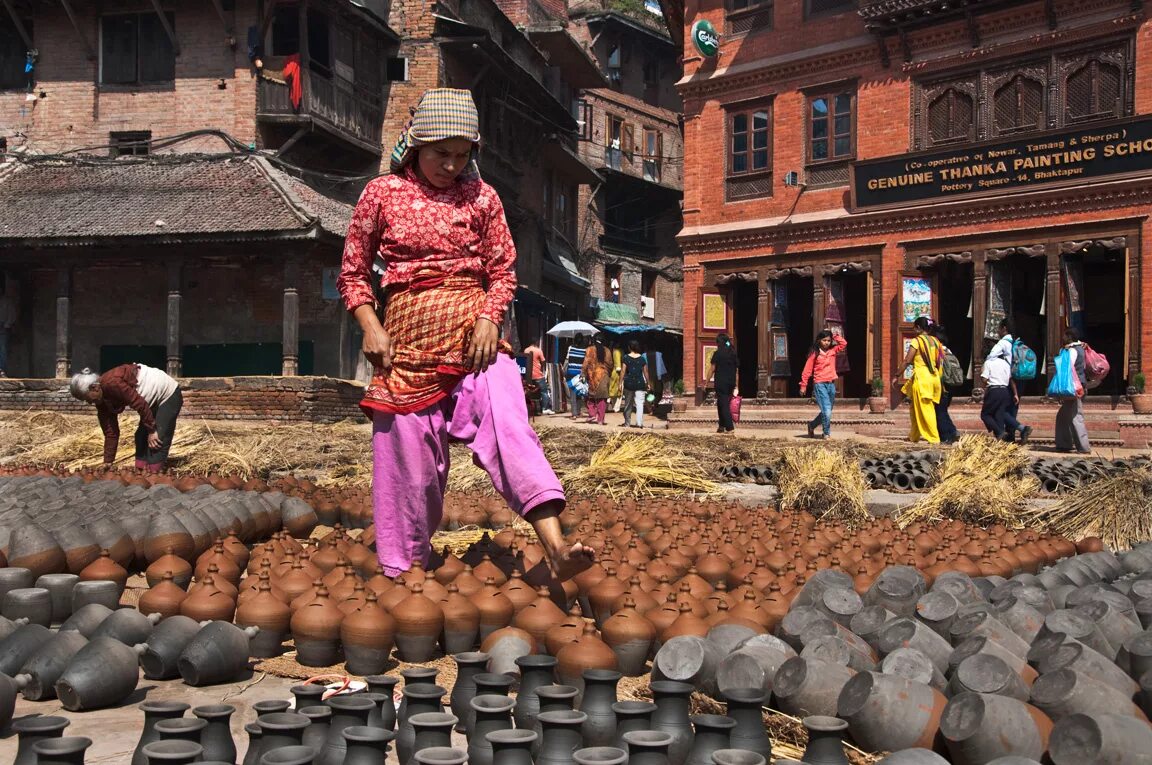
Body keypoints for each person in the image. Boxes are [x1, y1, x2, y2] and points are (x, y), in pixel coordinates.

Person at [337, 88, 593, 580]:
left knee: (509, 422)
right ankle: (403, 571)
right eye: (441, 154)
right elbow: (352, 273)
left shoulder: (483, 198)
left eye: (461, 155)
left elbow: (502, 270)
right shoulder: (381, 194)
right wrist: (370, 326)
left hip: (474, 344)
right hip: (405, 353)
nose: (451, 165)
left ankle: (556, 546)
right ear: (415, 145)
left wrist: (489, 318)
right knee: (410, 471)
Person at [69, 363, 183, 472]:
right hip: (150, 403)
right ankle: (141, 471)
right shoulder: (101, 402)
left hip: (168, 394)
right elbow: (111, 432)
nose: (89, 402)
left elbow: (139, 404)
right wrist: (108, 461)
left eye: (86, 398)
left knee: (157, 440)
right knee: (140, 436)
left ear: (94, 388)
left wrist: (152, 430)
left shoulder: (112, 383)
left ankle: (154, 473)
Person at [893, 316, 943, 444]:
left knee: (926, 409)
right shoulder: (936, 341)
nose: (914, 330)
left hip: (922, 379)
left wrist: (897, 375)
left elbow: (907, 360)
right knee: (914, 409)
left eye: (915, 328)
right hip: (934, 378)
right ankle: (913, 436)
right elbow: (940, 362)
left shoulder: (917, 341)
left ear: (919, 328)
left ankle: (934, 438)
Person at [986, 320, 1032, 443]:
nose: (997, 331)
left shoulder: (1003, 343)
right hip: (1020, 377)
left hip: (1008, 379)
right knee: (1012, 408)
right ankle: (1011, 435)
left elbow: (991, 356)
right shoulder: (1016, 341)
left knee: (999, 409)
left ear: (1004, 328)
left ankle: (1020, 429)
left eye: (999, 328)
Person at [799, 329, 847, 439]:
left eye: (828, 340)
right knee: (827, 410)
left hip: (831, 384)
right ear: (819, 340)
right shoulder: (814, 354)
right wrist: (803, 385)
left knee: (827, 410)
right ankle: (826, 433)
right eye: (824, 340)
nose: (826, 342)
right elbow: (807, 370)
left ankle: (811, 425)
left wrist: (833, 335)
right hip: (819, 384)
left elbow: (844, 343)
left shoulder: (833, 351)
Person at [1054, 327, 1091, 454]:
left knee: (1076, 415)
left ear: (1069, 336)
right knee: (1063, 416)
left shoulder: (1072, 351)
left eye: (1064, 335)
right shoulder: (1080, 348)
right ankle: (1064, 443)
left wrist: (1064, 388)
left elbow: (1068, 369)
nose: (1062, 337)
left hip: (1074, 386)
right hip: (1078, 384)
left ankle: (1083, 447)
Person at [930, 325, 959, 444]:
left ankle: (947, 435)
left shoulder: (938, 351)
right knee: (943, 410)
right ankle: (952, 432)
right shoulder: (948, 350)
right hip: (950, 384)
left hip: (941, 385)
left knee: (939, 412)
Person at [708, 333, 738, 434]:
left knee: (724, 404)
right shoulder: (733, 353)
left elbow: (712, 369)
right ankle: (721, 426)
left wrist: (706, 382)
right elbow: (736, 371)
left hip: (721, 382)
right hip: (731, 382)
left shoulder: (717, 353)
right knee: (721, 403)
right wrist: (736, 385)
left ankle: (730, 428)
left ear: (719, 343)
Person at [581, 336, 612, 425]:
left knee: (590, 397)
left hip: (592, 376)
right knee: (602, 399)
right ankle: (600, 420)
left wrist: (583, 373)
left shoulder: (589, 349)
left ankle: (592, 415)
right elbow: (610, 364)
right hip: (604, 375)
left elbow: (585, 362)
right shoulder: (607, 351)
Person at [620, 340, 650, 428]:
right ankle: (639, 423)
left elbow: (623, 371)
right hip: (640, 383)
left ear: (629, 347)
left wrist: (620, 382)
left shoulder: (626, 357)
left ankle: (627, 423)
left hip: (629, 383)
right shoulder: (642, 358)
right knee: (640, 404)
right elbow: (646, 372)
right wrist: (648, 383)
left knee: (628, 404)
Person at [522, 342, 553, 414]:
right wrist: (542, 368)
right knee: (544, 391)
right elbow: (543, 362)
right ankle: (545, 408)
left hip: (528, 375)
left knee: (528, 391)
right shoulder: (539, 350)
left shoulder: (526, 350)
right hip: (538, 375)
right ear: (536, 343)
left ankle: (528, 408)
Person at [565, 337, 588, 419]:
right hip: (580, 374)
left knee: (573, 394)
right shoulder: (585, 351)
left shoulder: (571, 349)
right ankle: (578, 412)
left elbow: (568, 359)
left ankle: (574, 414)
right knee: (579, 393)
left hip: (571, 373)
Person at [0, 278, 16, 378]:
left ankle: (1, 371)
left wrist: (5, 325)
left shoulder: (7, 301)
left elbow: (12, 315)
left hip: (3, 329)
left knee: (2, 350)